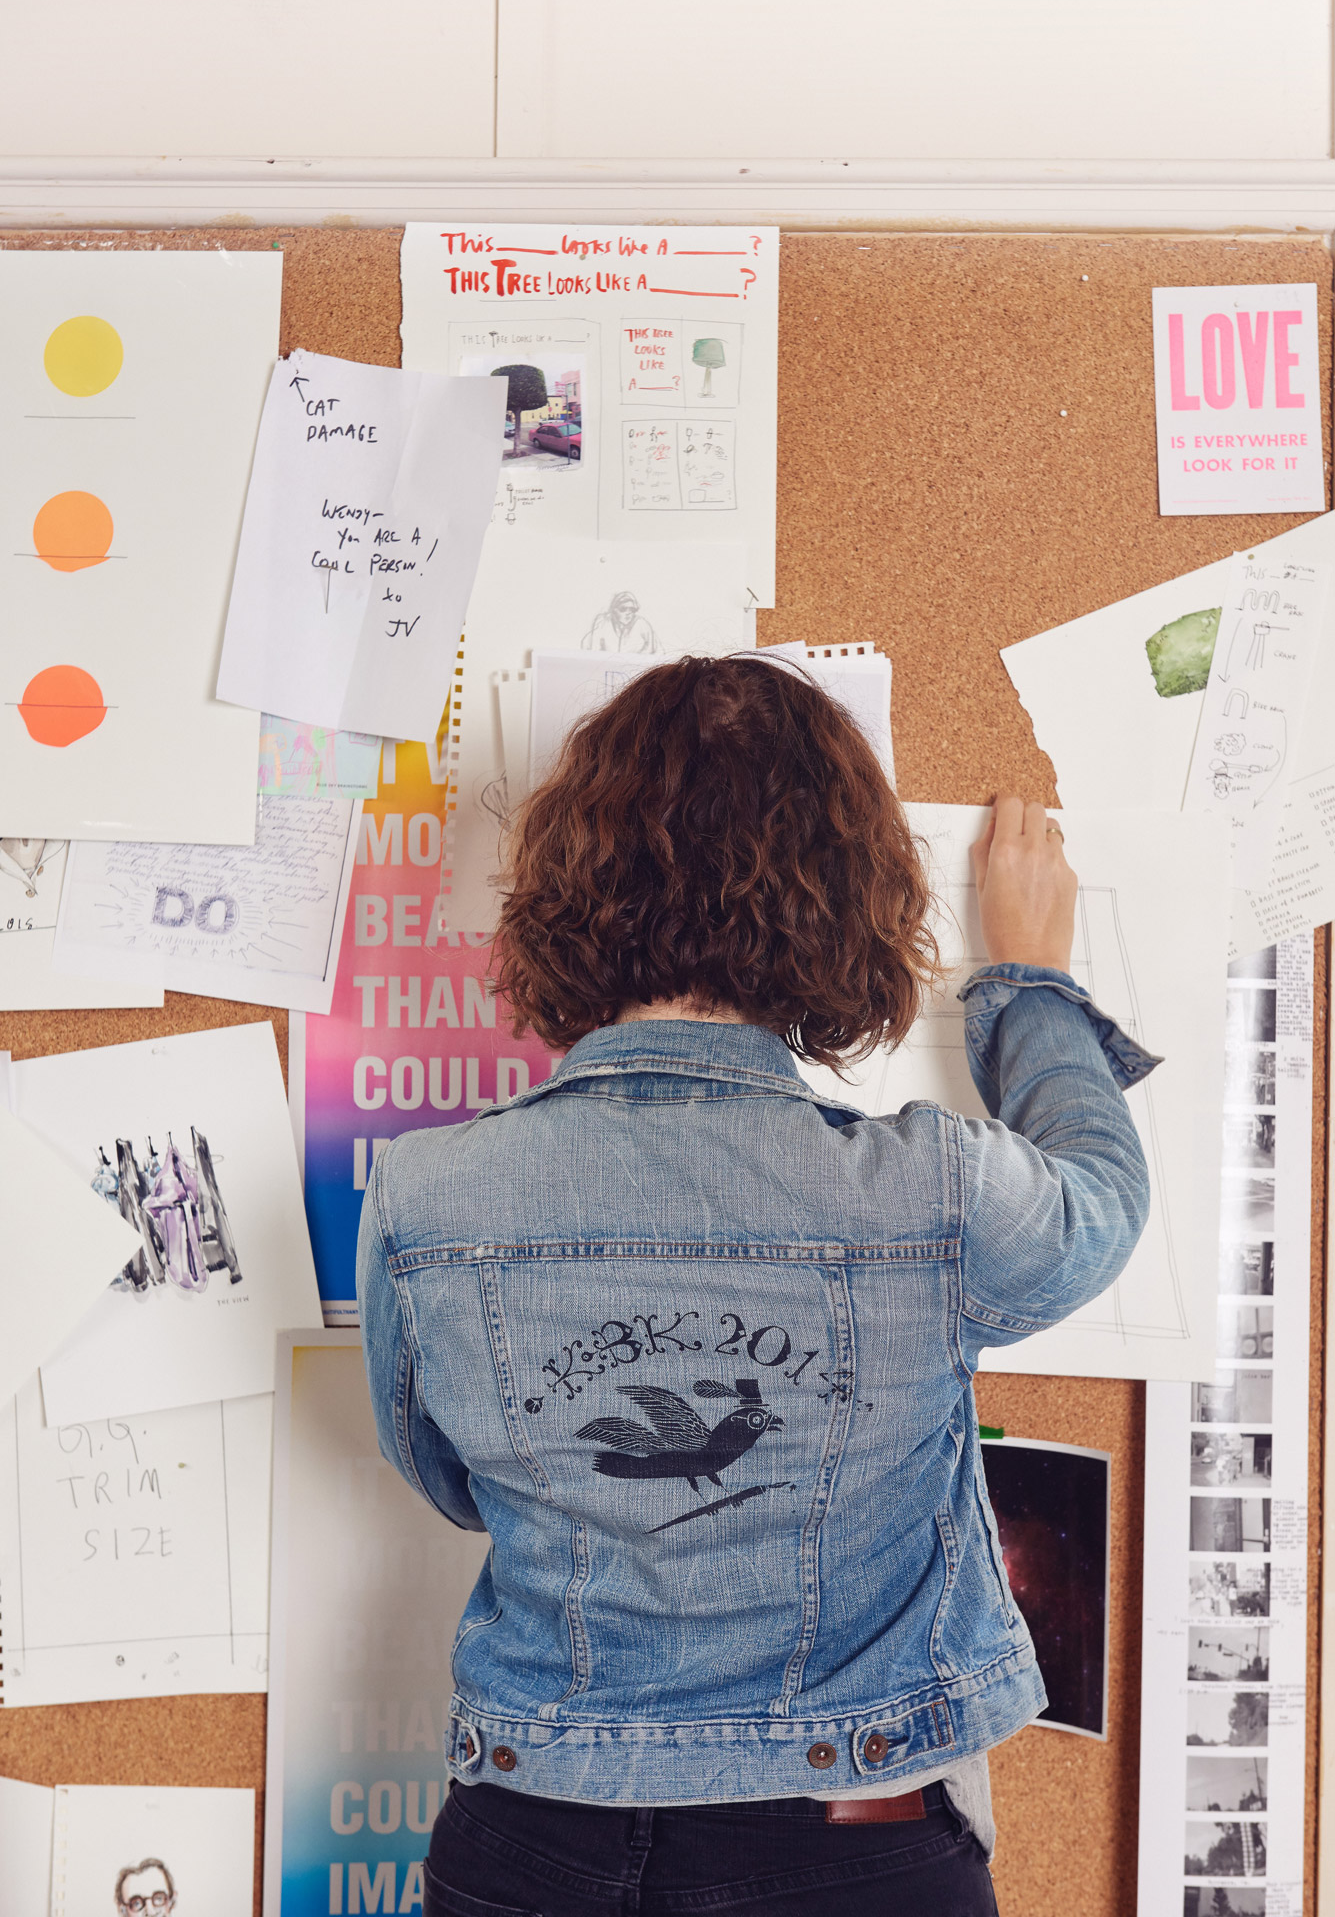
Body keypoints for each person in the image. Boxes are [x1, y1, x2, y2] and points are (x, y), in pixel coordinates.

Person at [358, 655, 1153, 1915]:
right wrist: (1032, 984)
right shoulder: (930, 1194)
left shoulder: (423, 1199)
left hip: (528, 1839)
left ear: (566, 886)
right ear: (848, 903)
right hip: (852, 1842)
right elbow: (1103, 1198)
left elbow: (449, 1477)